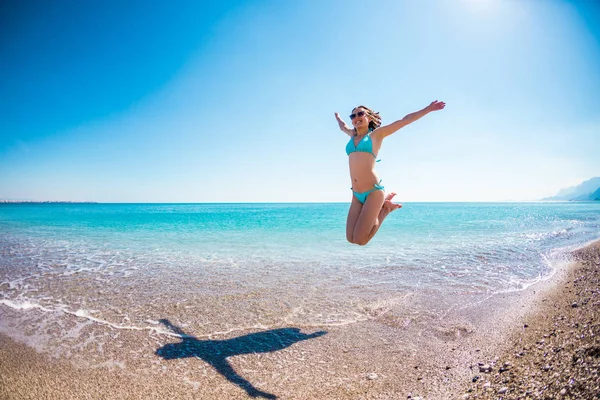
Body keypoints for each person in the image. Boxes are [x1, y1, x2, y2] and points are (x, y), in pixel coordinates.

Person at [335, 101, 445, 245]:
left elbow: (404, 121)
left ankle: (385, 210)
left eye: (360, 113)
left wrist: (429, 109)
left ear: (369, 117)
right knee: (350, 239)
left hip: (373, 192)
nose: (356, 117)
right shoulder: (351, 135)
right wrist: (338, 118)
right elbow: (343, 127)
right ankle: (384, 206)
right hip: (356, 194)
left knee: (361, 240)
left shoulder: (376, 135)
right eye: (353, 115)